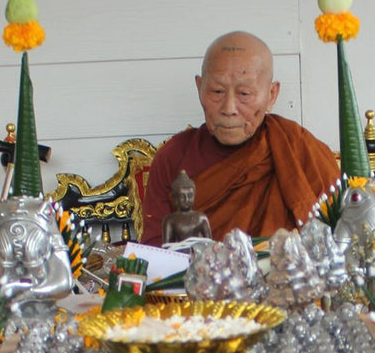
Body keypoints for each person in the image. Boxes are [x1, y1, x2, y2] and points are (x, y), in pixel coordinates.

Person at [140, 31, 338, 244]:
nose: (229, 108)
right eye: (217, 91)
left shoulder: (300, 150)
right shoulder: (174, 157)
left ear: (272, 95)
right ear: (199, 88)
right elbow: (156, 252)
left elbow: (338, 240)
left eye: (244, 94)